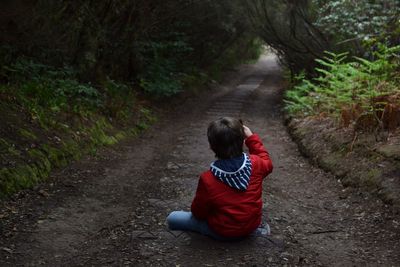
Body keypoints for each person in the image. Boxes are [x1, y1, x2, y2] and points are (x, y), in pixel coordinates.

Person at [166, 117, 273, 240]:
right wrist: (251, 138)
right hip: (251, 226)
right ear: (242, 141)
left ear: (212, 147)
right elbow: (267, 162)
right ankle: (255, 231)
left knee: (173, 218)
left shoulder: (208, 179)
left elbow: (198, 213)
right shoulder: (257, 164)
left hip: (222, 232)